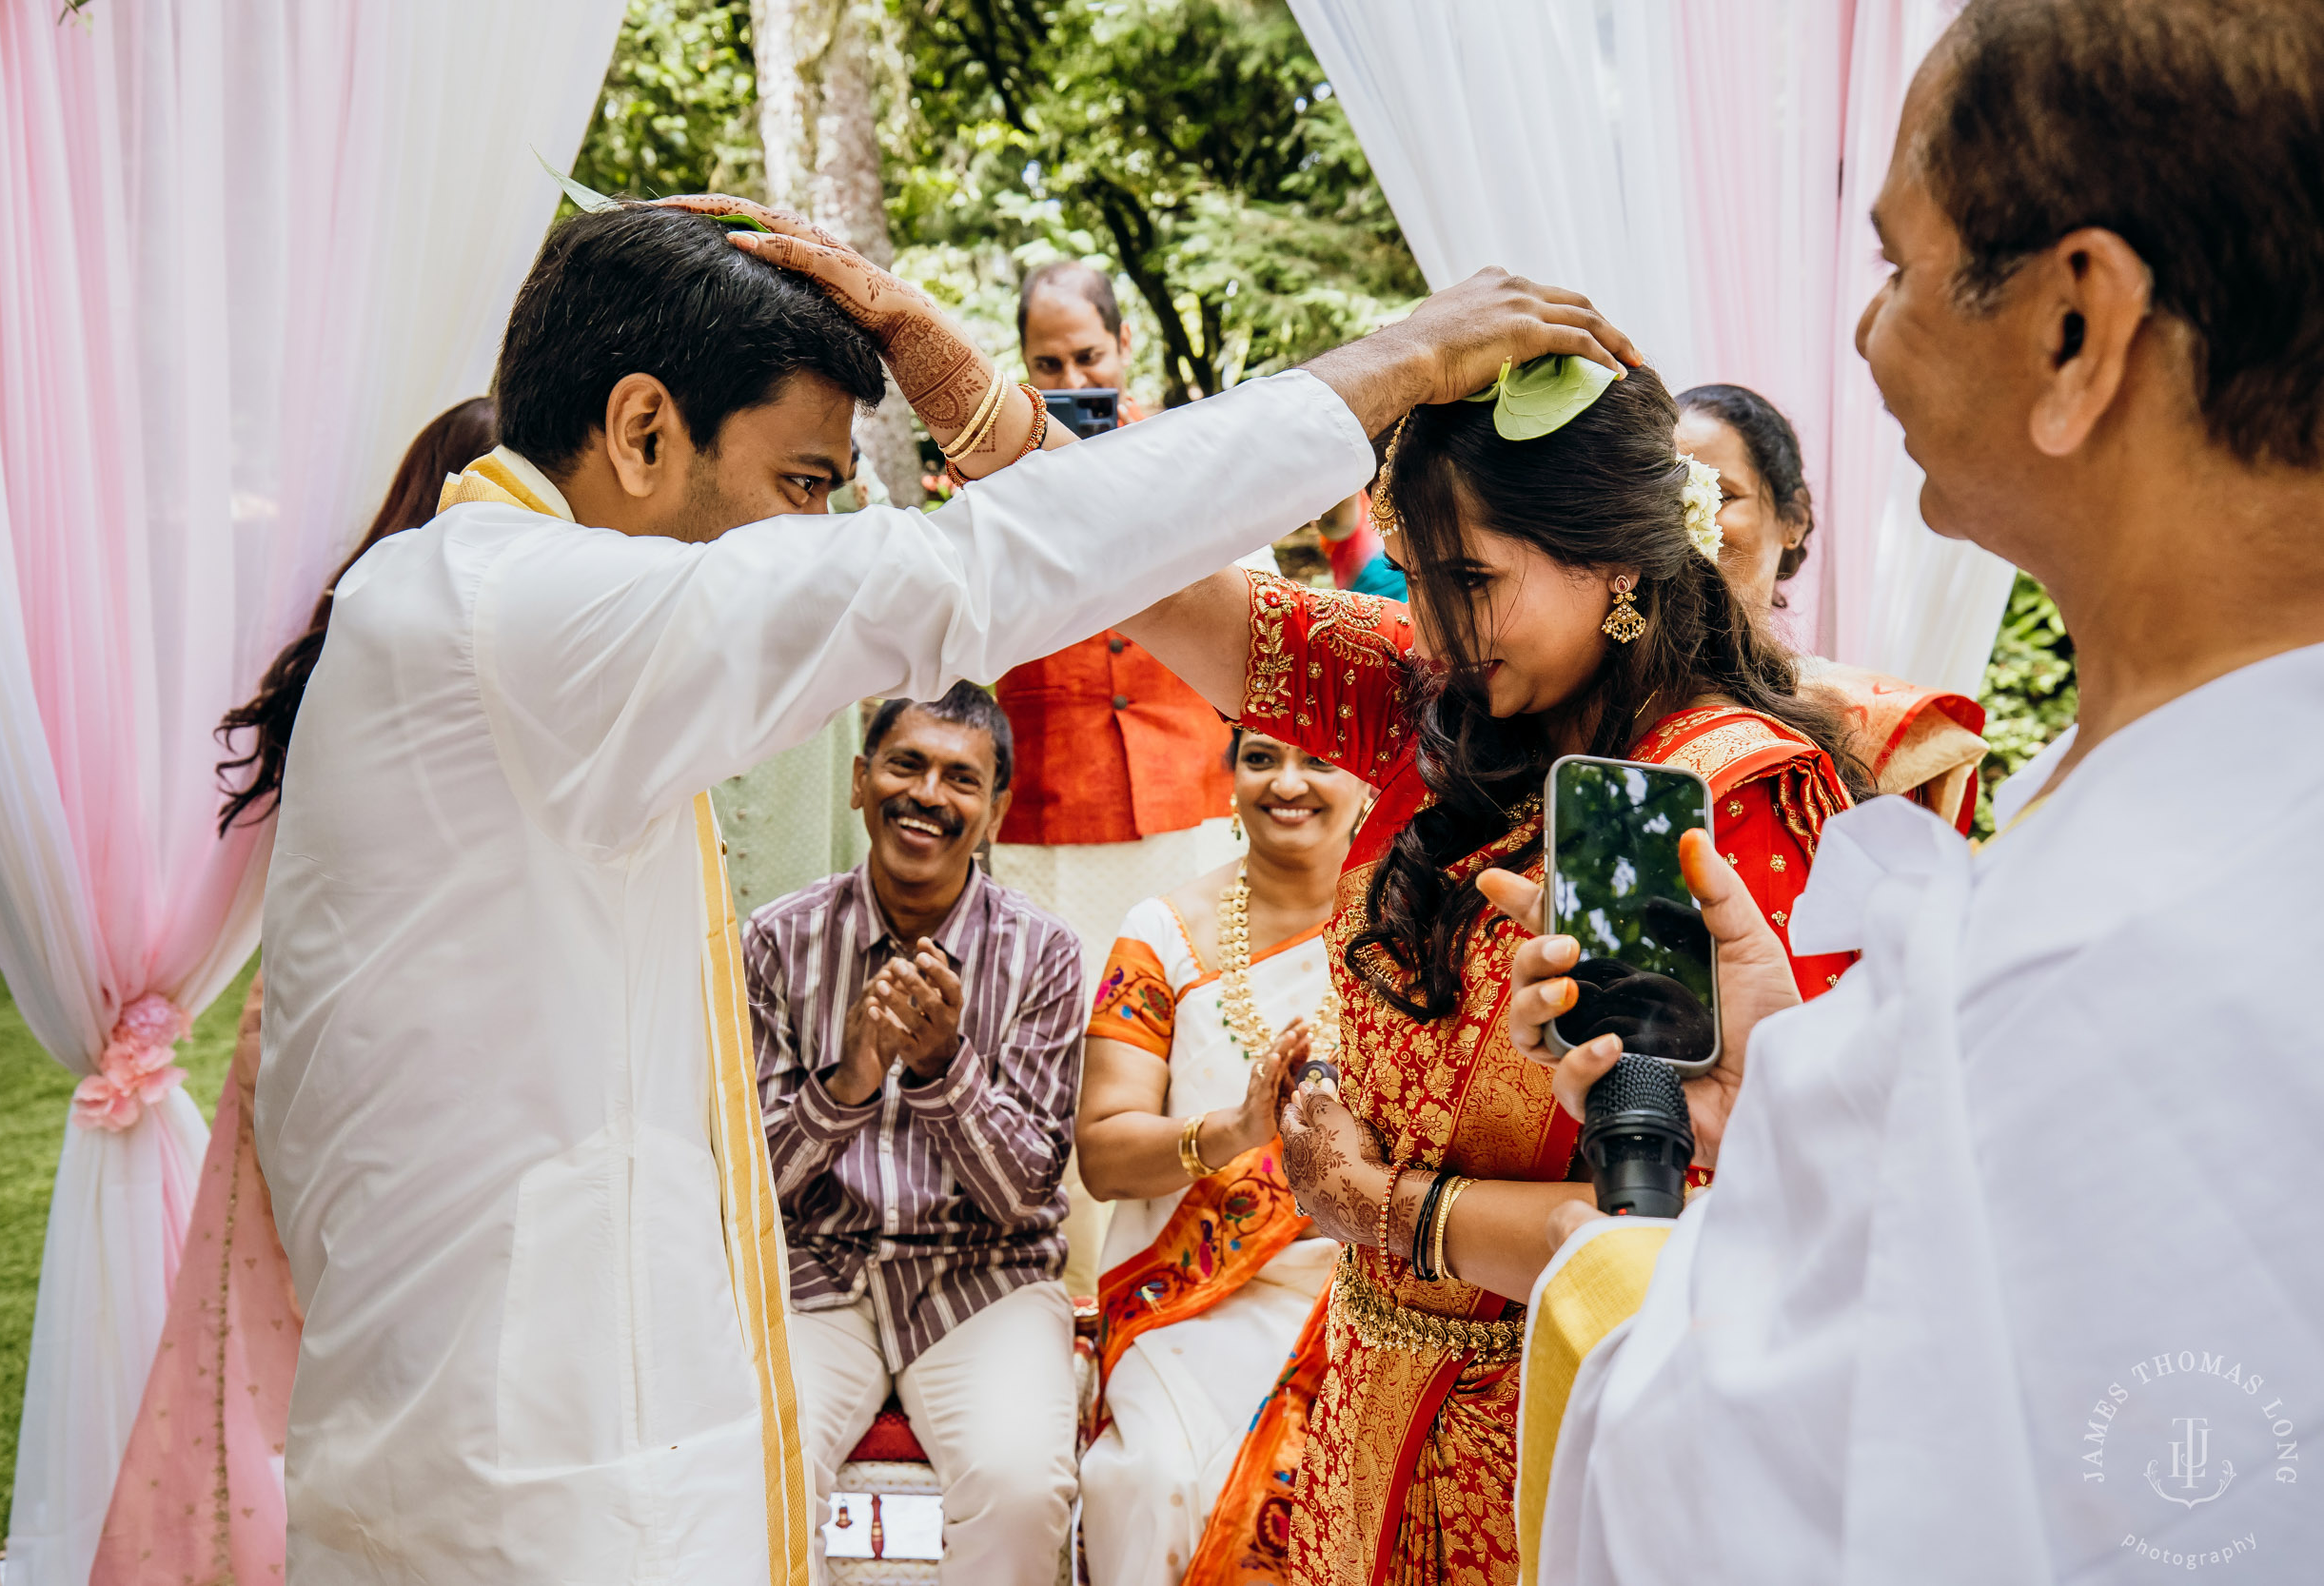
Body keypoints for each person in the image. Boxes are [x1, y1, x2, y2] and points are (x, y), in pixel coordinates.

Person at [254, 171, 1639, 1585]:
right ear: (641, 428)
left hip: (518, 1403)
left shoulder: (464, 601)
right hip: (516, 1455)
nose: (820, 532)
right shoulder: (526, 618)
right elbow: (974, 572)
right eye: (805, 485)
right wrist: (1392, 363)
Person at [1415, 2, 2324, 1580]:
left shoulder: (2111, 966)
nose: (1861, 336)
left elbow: (1769, 1499)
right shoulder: (2186, 787)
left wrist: (1606, 1263)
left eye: (1897, 268)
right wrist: (1783, 1089)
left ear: (2075, 329)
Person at [1114, 356, 1867, 1584]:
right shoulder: (1446, 700)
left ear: (1616, 562)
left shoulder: (1730, 805)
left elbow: (1719, 1243)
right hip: (1364, 1414)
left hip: (1559, 1448)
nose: (1442, 624)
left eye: (1475, 579)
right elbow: (1122, 563)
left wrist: (1390, 1209)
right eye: (1421, 579)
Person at [90, 399, 499, 1586]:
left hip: (306, 1022)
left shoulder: (350, 642)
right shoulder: (448, 662)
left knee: (256, 1349)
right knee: (338, 1353)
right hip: (393, 1044)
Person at [745, 683, 1082, 1585]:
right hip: (815, 1274)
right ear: (859, 780)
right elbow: (752, 1187)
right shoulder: (777, 943)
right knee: (746, 1470)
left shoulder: (1043, 953)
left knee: (1020, 1489)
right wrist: (852, 1077)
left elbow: (1026, 1194)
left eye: (960, 778)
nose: (928, 793)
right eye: (905, 763)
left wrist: (942, 1070)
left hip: (986, 1277)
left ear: (996, 809)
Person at [1074, 728, 1370, 1586]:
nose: (1289, 783)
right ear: (1229, 775)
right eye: (1262, 758)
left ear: (1363, 780)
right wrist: (1233, 1133)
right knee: (1154, 1478)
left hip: (1356, 1301)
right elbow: (1101, 1154)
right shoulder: (1161, 934)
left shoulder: (1405, 929)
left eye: (1319, 760)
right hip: (1189, 1308)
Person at [987, 261, 1274, 979]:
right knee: (1060, 1008)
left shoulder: (1191, 456)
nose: (1071, 380)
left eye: (1088, 357)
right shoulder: (992, 482)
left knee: (1192, 992)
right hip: (1052, 797)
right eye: (1047, 364)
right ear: (1023, 363)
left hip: (1191, 786)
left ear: (1124, 343)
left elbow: (1261, 608)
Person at [1676, 382, 1991, 830]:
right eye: (1663, 499)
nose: (1689, 517)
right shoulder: (1589, 696)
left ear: (1795, 520)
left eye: (1721, 495)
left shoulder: (1874, 724)